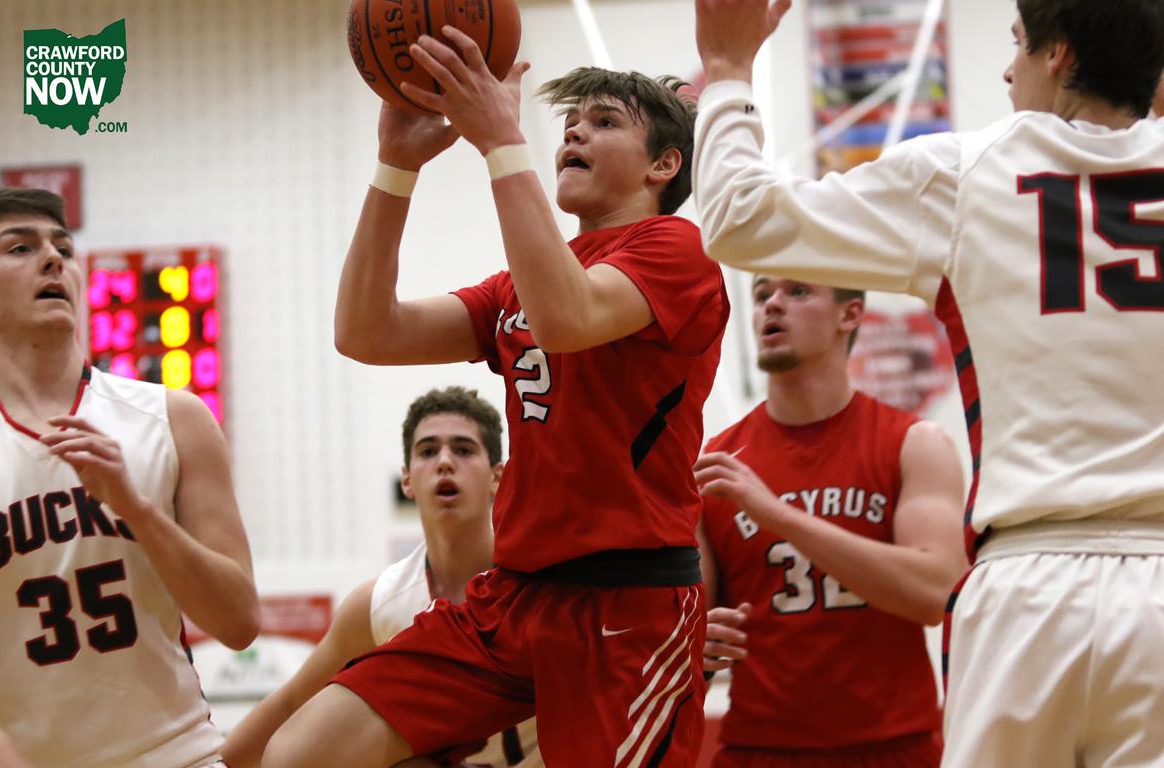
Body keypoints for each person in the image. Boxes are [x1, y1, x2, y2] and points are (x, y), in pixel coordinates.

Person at [691, 0, 1164, 764]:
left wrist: (727, 71)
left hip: (1030, 579)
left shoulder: (966, 172)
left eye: (1019, 44)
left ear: (1060, 55)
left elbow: (740, 218)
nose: (1007, 70)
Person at [262, 31, 728, 768]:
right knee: (301, 754)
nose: (574, 131)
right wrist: (396, 167)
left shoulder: (679, 250)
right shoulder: (520, 284)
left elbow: (568, 318)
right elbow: (365, 331)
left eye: (604, 121)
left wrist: (502, 142)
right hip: (511, 597)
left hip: (626, 603)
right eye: (569, 122)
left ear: (663, 165)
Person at [0, 187, 260, 768]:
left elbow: (239, 622)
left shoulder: (175, 418)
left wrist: (138, 510)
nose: (53, 260)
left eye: (63, 249)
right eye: (21, 248)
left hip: (179, 756)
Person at [695, 276, 966, 767]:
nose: (773, 304)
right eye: (761, 295)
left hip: (893, 749)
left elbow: (937, 593)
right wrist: (696, 644)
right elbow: (692, 636)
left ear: (851, 314)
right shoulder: (718, 463)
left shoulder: (914, 444)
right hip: (760, 750)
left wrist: (778, 515)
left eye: (797, 292)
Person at [222, 386, 539, 768]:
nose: (444, 462)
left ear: (497, 477)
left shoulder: (538, 581)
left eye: (463, 449)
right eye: (427, 451)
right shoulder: (379, 604)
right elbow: (292, 702)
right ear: (406, 480)